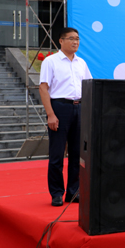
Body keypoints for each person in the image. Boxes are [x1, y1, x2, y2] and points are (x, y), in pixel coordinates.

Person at [38, 27, 92, 207]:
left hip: (79, 108)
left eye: (77, 39)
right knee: (57, 154)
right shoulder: (50, 61)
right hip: (60, 108)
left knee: (78, 154)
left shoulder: (81, 63)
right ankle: (56, 193)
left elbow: (89, 87)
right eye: (71, 38)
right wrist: (50, 114)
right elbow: (43, 88)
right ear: (61, 41)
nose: (75, 42)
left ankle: (73, 192)